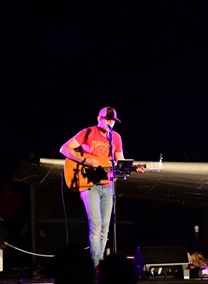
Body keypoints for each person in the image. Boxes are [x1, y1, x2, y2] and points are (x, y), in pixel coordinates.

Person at [59, 106, 146, 268]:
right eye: (108, 120)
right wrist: (85, 161)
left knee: (106, 225)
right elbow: (64, 148)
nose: (111, 123)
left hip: (108, 185)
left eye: (113, 121)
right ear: (99, 119)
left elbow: (120, 163)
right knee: (96, 224)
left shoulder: (116, 138)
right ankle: (95, 263)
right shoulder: (87, 132)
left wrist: (133, 168)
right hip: (89, 184)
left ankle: (99, 264)